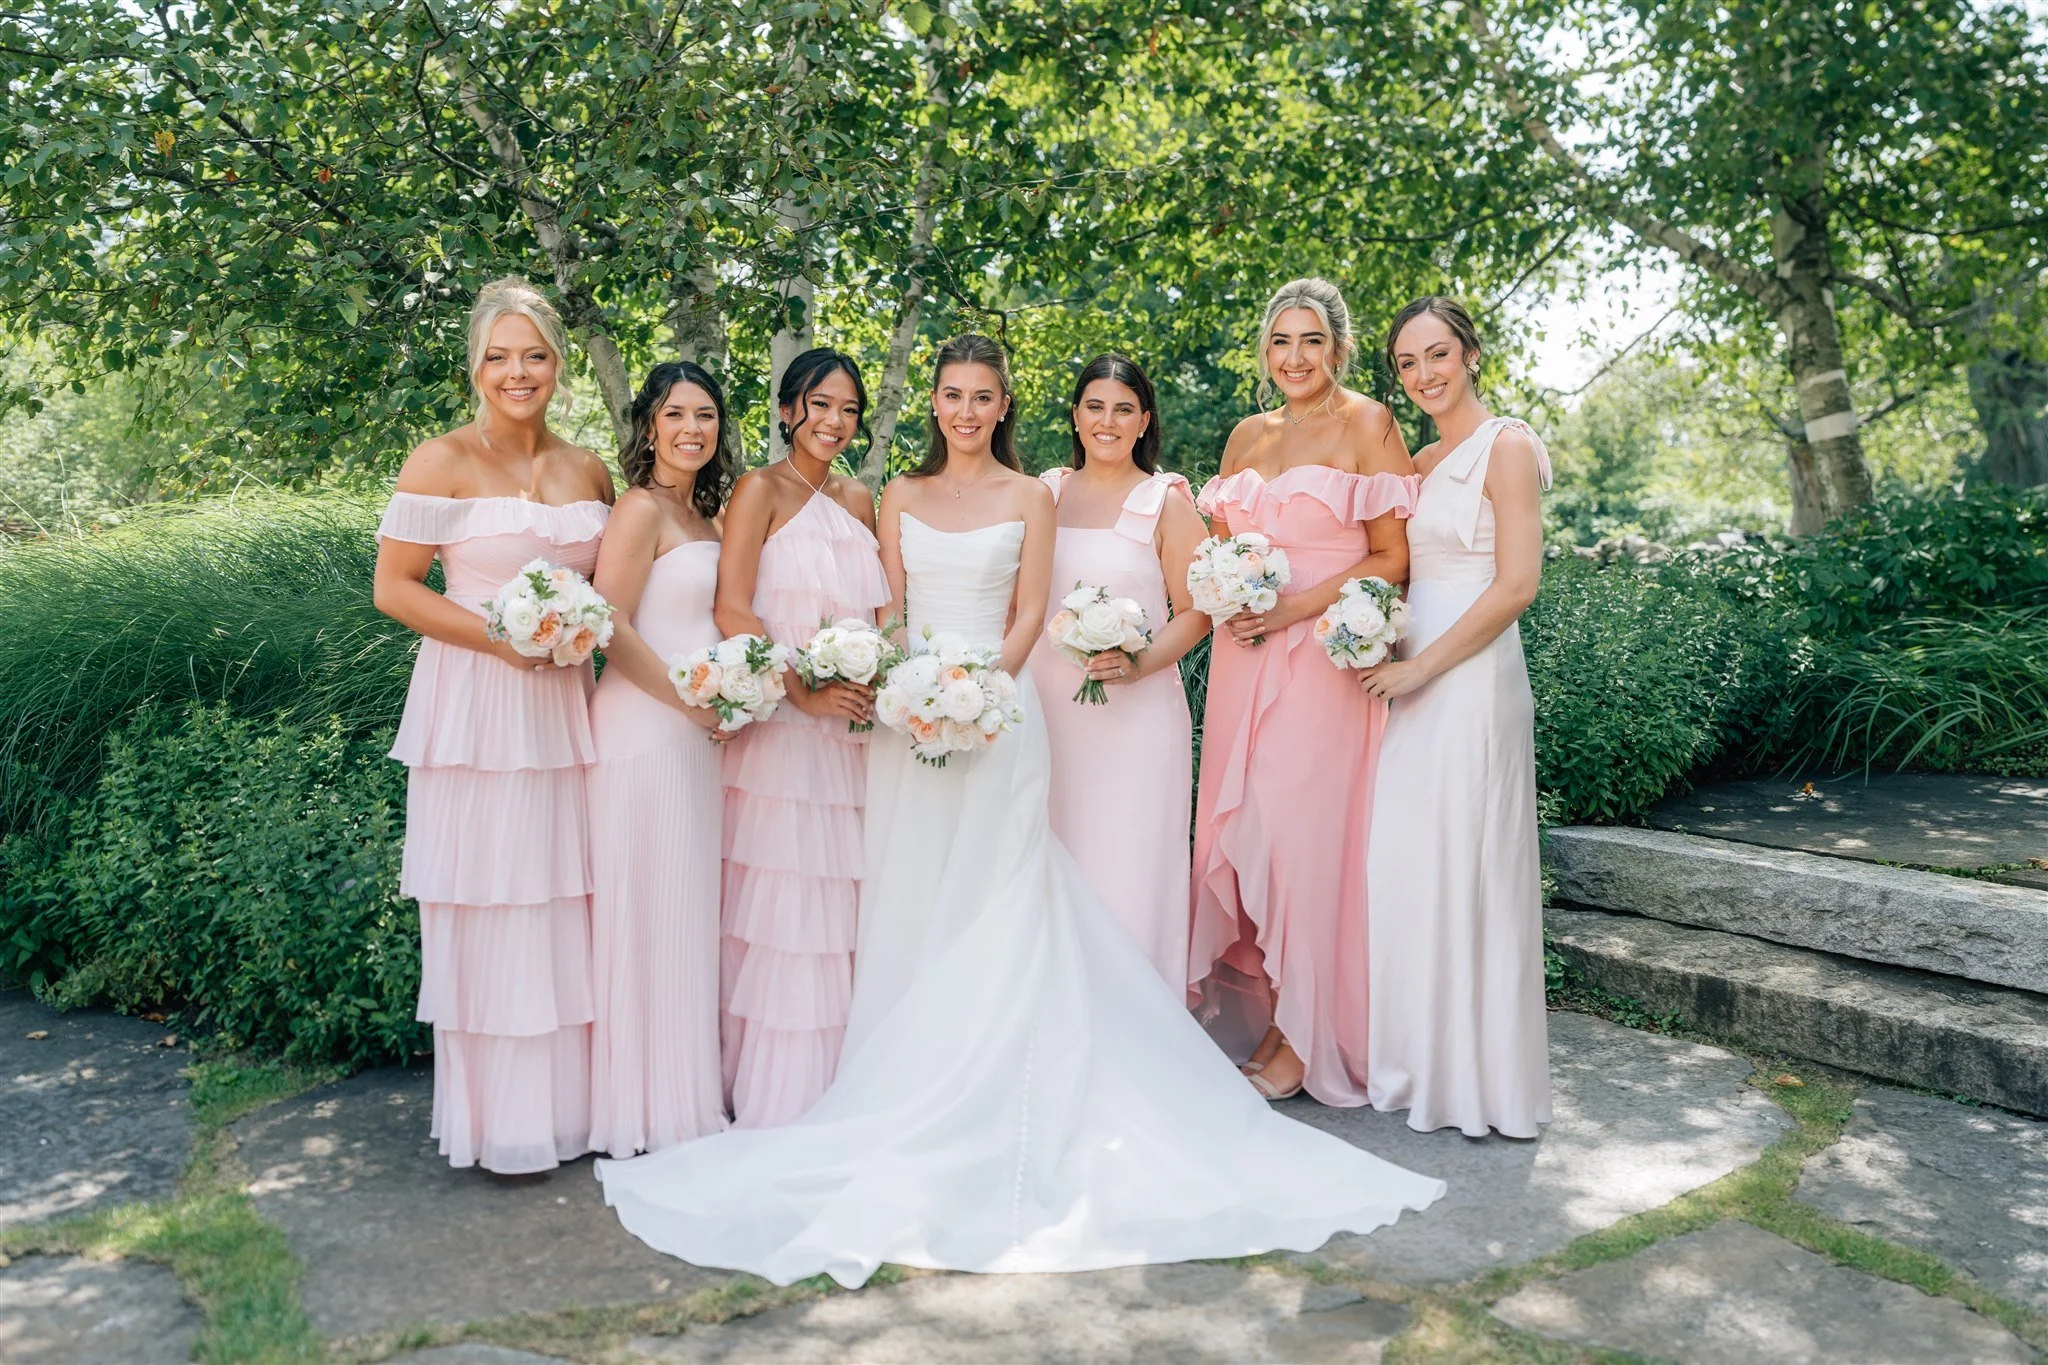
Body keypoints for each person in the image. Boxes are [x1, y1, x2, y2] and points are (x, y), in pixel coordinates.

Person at [595, 333, 1445, 1289]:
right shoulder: (898, 499)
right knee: (912, 903)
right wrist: (913, 688)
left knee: (1007, 903)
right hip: (907, 724)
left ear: (1005, 406)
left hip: (1000, 718)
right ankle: (904, 1085)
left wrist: (978, 695)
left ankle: (1019, 1092)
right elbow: (890, 613)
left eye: (983, 396)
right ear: (934, 405)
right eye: (951, 395)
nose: (966, 410)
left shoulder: (1031, 496)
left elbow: (1031, 612)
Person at [371, 277, 614, 1173]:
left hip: (564, 707)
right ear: (475, 364)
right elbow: (394, 589)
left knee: (564, 897)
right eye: (500, 356)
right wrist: (503, 639)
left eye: (536, 356)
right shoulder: (440, 461)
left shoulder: (588, 469)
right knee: (494, 899)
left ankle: (574, 1110)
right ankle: (501, 1125)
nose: (519, 373)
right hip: (475, 705)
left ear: (558, 364)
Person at [1190, 277, 1417, 1104]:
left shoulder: (1368, 425)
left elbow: (1392, 558)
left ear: (1338, 347)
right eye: (1281, 341)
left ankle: (1308, 1034)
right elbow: (1221, 549)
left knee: (1300, 841)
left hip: (1322, 657)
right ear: (1265, 350)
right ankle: (1255, 1014)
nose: (1295, 357)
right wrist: (1228, 592)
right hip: (1243, 657)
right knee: (1242, 827)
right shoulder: (1245, 435)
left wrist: (1290, 606)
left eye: (1311, 341)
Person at [1361, 296, 1553, 1138]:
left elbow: (1516, 584)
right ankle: (1424, 1066)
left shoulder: (1505, 446)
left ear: (1471, 353)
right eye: (1407, 363)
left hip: (1470, 679)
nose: (1424, 374)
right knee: (1414, 862)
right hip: (1414, 667)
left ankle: (1482, 1083)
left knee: (1471, 864)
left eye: (1437, 354)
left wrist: (1424, 668)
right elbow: (1408, 569)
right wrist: (1369, 631)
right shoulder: (1426, 456)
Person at [712, 348, 886, 1127]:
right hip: (783, 733)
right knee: (784, 907)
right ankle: (780, 1098)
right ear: (788, 410)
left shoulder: (861, 498)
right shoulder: (760, 490)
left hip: (852, 738)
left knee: (844, 909)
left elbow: (879, 615)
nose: (834, 421)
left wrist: (877, 680)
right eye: (820, 404)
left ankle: (844, 1082)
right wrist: (800, 688)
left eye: (848, 409)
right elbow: (733, 607)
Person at [586, 361, 740, 1157]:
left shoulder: (712, 517)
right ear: (649, 425)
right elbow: (610, 625)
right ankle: (636, 1104)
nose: (692, 429)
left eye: (706, 415)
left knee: (685, 912)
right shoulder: (640, 510)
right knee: (643, 910)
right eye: (676, 414)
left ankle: (684, 1095)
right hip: (643, 731)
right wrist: (689, 700)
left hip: (700, 735)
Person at [1029, 354, 1207, 989]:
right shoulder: (1041, 492)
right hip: (1046, 714)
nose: (1107, 421)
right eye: (1095, 407)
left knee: (1129, 863)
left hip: (1137, 719)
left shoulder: (1167, 502)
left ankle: (1140, 1017)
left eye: (1123, 409)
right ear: (1075, 417)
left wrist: (1139, 662)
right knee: (1053, 855)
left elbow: (1196, 611)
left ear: (1144, 421)